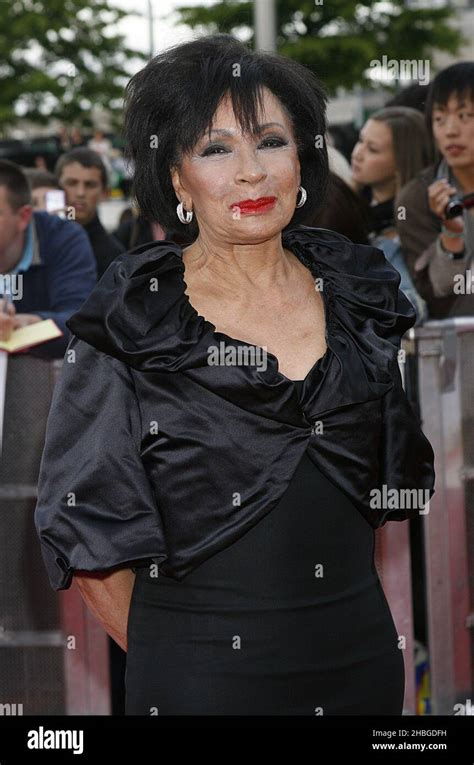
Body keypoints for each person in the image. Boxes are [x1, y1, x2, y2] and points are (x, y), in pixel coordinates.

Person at [34, 34, 435, 716]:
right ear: (177, 178)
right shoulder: (134, 317)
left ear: (303, 158)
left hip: (362, 665)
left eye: (270, 141)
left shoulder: (357, 289)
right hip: (199, 682)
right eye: (216, 148)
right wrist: (187, 658)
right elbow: (92, 539)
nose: (252, 172)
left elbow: (377, 492)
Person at [396, 62, 474, 319]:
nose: (450, 131)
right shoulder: (417, 198)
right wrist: (451, 234)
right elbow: (437, 293)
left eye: (465, 116)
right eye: (440, 118)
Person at [0, 159, 97, 359]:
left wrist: (27, 324)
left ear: (24, 216)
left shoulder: (63, 238)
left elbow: (80, 322)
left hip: (45, 376)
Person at [351, 106, 432, 324]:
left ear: (401, 161)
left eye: (373, 149)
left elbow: (410, 306)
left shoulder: (410, 224)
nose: (358, 153)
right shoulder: (351, 204)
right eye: (360, 140)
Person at [55, 148, 125, 279]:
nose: (80, 192)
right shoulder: (37, 240)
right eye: (72, 183)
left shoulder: (115, 258)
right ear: (56, 187)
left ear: (105, 193)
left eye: (90, 185)